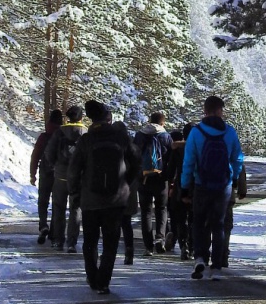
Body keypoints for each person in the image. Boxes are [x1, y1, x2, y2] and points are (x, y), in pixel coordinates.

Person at [68, 99, 140, 294]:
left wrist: (75, 193)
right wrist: (125, 181)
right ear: (108, 118)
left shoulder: (86, 140)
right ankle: (104, 281)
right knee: (111, 242)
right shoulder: (121, 138)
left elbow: (74, 170)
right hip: (116, 200)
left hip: (90, 199)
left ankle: (93, 279)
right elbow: (137, 161)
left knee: (90, 241)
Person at [180, 95, 244, 281]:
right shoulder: (230, 132)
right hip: (222, 186)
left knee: (199, 222)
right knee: (219, 225)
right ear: (220, 111)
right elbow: (238, 159)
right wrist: (231, 178)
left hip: (201, 184)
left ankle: (200, 257)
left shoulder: (196, 132)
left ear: (205, 110)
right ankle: (216, 266)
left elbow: (188, 162)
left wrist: (185, 187)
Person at [45, 105, 86, 252]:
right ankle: (71, 242)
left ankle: (58, 240)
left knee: (58, 208)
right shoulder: (85, 133)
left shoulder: (59, 132)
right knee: (76, 209)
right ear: (81, 117)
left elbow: (49, 153)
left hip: (60, 176)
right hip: (78, 178)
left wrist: (55, 165)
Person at [133, 111, 173, 255]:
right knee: (161, 209)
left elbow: (134, 156)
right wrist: (168, 176)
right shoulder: (166, 136)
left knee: (146, 211)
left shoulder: (139, 135)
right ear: (162, 122)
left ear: (150, 121)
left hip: (144, 178)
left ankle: (148, 246)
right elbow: (170, 159)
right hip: (160, 178)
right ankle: (160, 238)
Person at [30, 108, 63, 244]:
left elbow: (35, 156)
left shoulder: (44, 137)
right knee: (57, 202)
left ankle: (43, 224)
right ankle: (54, 232)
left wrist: (33, 174)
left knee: (43, 201)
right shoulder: (63, 136)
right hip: (59, 173)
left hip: (45, 171)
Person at [164, 126, 193, 260]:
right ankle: (193, 246)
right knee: (194, 218)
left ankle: (184, 245)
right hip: (197, 188)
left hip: (180, 187)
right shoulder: (200, 147)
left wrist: (170, 185)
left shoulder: (178, 149)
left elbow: (170, 172)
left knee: (181, 219)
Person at [222, 163, 247, 268]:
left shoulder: (206, 146)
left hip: (208, 191)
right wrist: (242, 189)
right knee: (226, 226)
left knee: (210, 224)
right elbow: (239, 164)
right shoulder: (232, 147)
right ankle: (223, 253)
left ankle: (205, 254)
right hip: (228, 192)